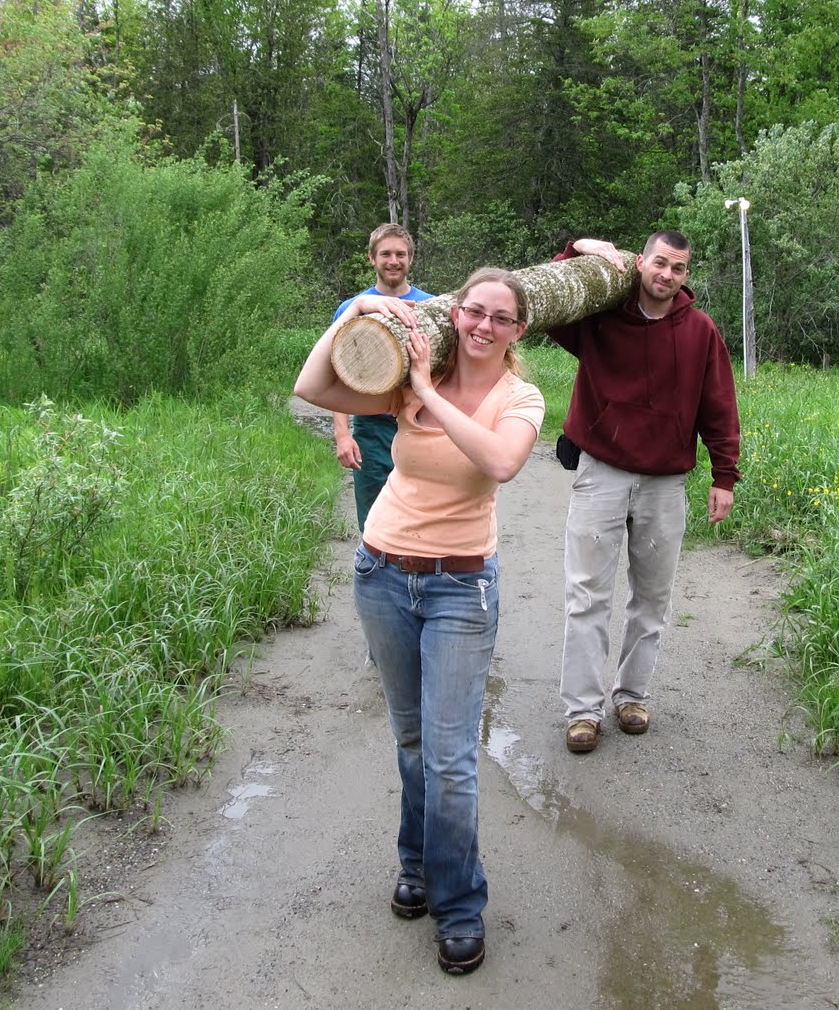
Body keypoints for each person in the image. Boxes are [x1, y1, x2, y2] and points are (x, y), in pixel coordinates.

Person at [294, 267, 544, 976]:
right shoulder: (402, 379)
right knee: (411, 740)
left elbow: (499, 462)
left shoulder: (518, 396)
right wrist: (357, 313)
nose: (483, 327)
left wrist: (431, 391)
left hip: (460, 589)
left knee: (449, 757)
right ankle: (418, 866)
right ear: (454, 314)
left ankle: (460, 904)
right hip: (381, 576)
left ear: (517, 330)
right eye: (474, 312)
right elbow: (313, 388)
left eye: (500, 318)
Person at [546, 231, 740, 755]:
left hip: (664, 481)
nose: (667, 275)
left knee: (652, 598)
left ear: (685, 276)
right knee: (587, 594)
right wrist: (578, 248)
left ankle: (632, 695)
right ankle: (582, 711)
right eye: (660, 263)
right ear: (641, 262)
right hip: (601, 471)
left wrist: (725, 476)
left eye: (678, 268)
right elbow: (547, 300)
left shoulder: (700, 331)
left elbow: (719, 405)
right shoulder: (602, 317)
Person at [331, 224, 435, 531]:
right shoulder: (352, 308)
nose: (393, 261)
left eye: (400, 254)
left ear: (411, 259)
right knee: (374, 519)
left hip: (420, 422)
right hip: (371, 427)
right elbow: (338, 377)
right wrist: (342, 434)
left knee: (422, 517)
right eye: (386, 254)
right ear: (371, 258)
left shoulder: (431, 304)